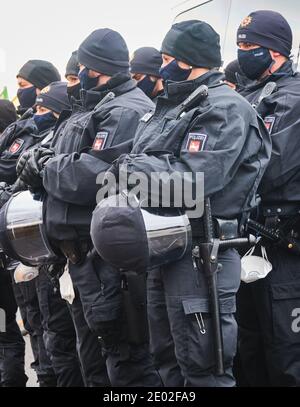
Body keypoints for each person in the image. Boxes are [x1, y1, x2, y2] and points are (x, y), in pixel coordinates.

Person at [90, 20, 272, 387]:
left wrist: (132, 170)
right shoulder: (176, 105)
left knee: (204, 369)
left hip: (202, 256)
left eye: (171, 57)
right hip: (166, 249)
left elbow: (195, 182)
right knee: (168, 362)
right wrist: (132, 170)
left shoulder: (223, 108)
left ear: (191, 61)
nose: (164, 66)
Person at [17, 28, 161, 387]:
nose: (77, 76)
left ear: (97, 68)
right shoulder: (91, 107)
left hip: (108, 261)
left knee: (126, 363)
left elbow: (93, 176)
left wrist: (45, 166)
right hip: (79, 260)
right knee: (94, 363)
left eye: (81, 67)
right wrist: (38, 161)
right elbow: (61, 161)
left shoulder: (126, 110)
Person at [235, 10, 300, 387]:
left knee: (286, 356)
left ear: (275, 52)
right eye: (240, 45)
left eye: (250, 46)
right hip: (247, 242)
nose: (243, 53)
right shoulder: (248, 96)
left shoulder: (291, 98)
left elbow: (271, 168)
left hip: (282, 243)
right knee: (249, 352)